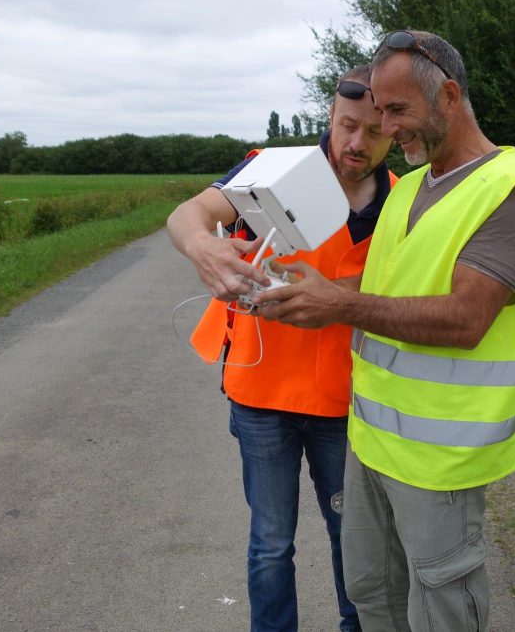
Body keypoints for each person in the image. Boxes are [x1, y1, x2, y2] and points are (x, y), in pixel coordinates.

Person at [256, 30, 515, 632]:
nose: (385, 128)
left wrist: (338, 305)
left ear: (447, 94)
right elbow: (387, 287)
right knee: (372, 589)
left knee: (442, 604)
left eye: (396, 110)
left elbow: (467, 318)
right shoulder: (410, 185)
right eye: (377, 111)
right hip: (372, 442)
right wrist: (316, 286)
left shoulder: (507, 195)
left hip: (441, 458)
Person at [166, 65, 394, 632]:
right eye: (346, 126)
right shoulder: (270, 169)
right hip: (262, 394)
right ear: (330, 116)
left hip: (348, 401)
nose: (355, 143)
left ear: (395, 131)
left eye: (373, 131)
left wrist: (340, 294)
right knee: (270, 545)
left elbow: (415, 286)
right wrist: (203, 248)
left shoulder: (405, 198)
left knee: (355, 543)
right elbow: (187, 214)